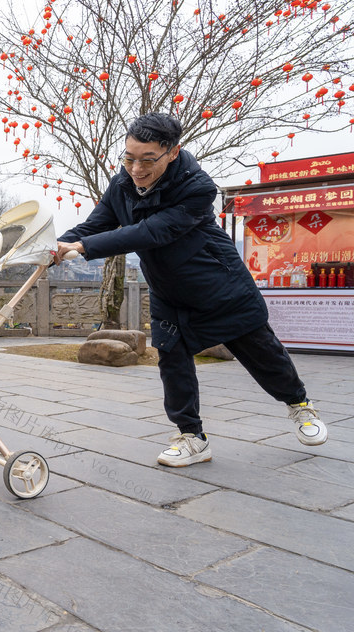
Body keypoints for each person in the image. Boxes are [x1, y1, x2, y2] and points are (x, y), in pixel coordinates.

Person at [55, 112, 328, 467]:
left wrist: (83, 247)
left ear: (172, 152)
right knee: (172, 361)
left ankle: (300, 406)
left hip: (220, 286)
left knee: (263, 355)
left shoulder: (198, 188)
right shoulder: (121, 184)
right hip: (169, 292)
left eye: (147, 160)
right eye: (129, 157)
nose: (136, 169)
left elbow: (152, 231)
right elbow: (95, 225)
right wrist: (56, 246)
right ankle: (191, 436)